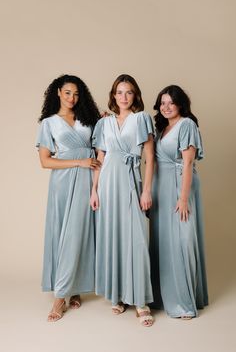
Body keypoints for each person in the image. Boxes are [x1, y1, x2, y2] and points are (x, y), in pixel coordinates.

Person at [90, 74, 154, 327]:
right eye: (119, 92)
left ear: (135, 95)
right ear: (113, 95)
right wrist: (94, 190)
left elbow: (150, 157)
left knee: (136, 240)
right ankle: (118, 294)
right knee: (113, 237)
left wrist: (146, 190)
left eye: (128, 92)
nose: (123, 97)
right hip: (107, 184)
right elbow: (100, 158)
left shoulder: (142, 119)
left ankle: (140, 301)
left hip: (130, 182)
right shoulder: (104, 123)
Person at [36, 74, 101, 322]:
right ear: (57, 93)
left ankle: (72, 289)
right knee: (64, 234)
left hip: (88, 182)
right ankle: (61, 296)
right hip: (63, 183)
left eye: (76, 94)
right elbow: (45, 161)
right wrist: (79, 161)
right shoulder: (49, 123)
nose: (72, 98)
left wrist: (105, 121)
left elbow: (99, 147)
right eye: (67, 93)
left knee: (81, 234)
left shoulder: (89, 119)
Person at [149, 85, 208, 319]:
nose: (166, 107)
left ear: (180, 104)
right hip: (159, 186)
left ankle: (184, 302)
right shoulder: (161, 128)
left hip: (180, 185)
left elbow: (187, 164)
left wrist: (183, 199)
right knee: (162, 241)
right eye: (162, 103)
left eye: (170, 103)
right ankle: (162, 296)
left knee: (182, 241)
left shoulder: (187, 125)